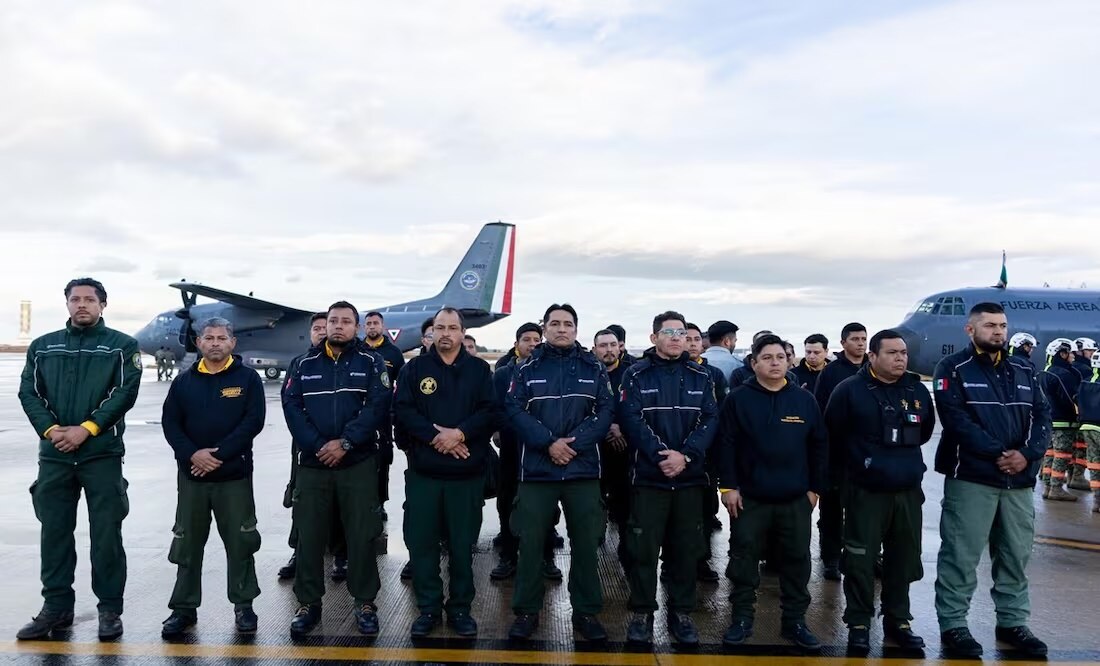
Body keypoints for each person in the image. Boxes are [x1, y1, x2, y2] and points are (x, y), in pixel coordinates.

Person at [17, 278, 142, 641]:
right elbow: (29, 392)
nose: (82, 305)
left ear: (103, 305)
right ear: (67, 304)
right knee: (54, 534)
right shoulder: (43, 347)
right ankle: (56, 609)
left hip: (101, 455)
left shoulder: (122, 346)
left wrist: (86, 429)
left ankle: (109, 610)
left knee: (106, 535)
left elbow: (125, 393)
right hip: (54, 456)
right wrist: (51, 431)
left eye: (90, 299)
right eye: (76, 299)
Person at [932, 302, 1050, 659]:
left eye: (1002, 325)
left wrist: (1026, 455)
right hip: (972, 477)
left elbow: (1043, 416)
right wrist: (1000, 453)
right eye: (990, 326)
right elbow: (956, 420)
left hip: (1019, 481)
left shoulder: (1024, 368)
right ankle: (954, 625)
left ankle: (1013, 621)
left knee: (1015, 554)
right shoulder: (953, 368)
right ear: (971, 330)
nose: (998, 332)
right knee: (961, 555)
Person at [282, 301, 392, 637]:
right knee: (310, 537)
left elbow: (377, 406)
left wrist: (344, 443)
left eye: (346, 321)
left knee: (361, 535)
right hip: (314, 466)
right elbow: (292, 406)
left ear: (356, 327)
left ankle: (365, 603)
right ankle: (308, 605)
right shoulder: (302, 364)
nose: (339, 326)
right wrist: (318, 445)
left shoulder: (372, 363)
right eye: (333, 321)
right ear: (325, 325)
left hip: (357, 463)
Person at [505, 304, 613, 641]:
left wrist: (575, 443)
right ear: (546, 328)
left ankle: (586, 612)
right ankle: (526, 612)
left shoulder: (593, 367)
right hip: (538, 471)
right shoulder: (526, 368)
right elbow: (514, 409)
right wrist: (549, 443)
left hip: (582, 471)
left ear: (576, 330)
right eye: (555, 323)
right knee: (531, 545)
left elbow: (606, 409)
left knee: (585, 544)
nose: (561, 329)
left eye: (568, 324)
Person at [824, 330, 935, 653]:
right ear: (872, 356)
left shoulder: (916, 390)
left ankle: (898, 619)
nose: (900, 358)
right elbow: (833, 435)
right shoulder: (850, 390)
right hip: (865, 491)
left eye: (903, 353)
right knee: (860, 559)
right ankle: (859, 622)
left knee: (903, 559)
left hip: (907, 491)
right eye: (892, 353)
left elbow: (924, 431)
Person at [716, 335, 827, 651]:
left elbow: (819, 446)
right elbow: (726, 446)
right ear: (754, 363)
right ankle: (741, 620)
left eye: (781, 357)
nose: (775, 362)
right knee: (743, 561)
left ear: (789, 361)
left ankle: (795, 622)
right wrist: (728, 487)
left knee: (796, 563)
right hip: (750, 499)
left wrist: (814, 490)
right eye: (767, 357)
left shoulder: (805, 400)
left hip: (795, 500)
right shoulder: (738, 399)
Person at [394, 308, 497, 638]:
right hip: (425, 475)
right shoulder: (414, 370)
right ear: (432, 332)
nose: (446, 334)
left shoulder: (480, 370)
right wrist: (436, 436)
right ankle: (428, 608)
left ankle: (461, 608)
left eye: (453, 328)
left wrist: (460, 434)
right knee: (421, 545)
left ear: (462, 333)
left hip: (466, 478)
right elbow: (403, 412)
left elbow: (490, 412)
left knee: (462, 547)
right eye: (440, 328)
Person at [160, 318, 266, 637]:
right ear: (199, 343)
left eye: (222, 338)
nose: (216, 343)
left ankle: (244, 605)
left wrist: (218, 456)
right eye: (209, 338)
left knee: (241, 541)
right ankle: (183, 608)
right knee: (187, 544)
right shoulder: (183, 382)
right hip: (192, 477)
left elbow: (253, 422)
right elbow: (171, 425)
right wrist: (194, 455)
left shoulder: (248, 379)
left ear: (233, 343)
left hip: (233, 477)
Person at [619, 312, 718, 646]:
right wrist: (663, 455)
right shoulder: (635, 374)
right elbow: (632, 420)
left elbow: (709, 419)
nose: (676, 337)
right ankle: (643, 612)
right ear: (654, 338)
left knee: (685, 550)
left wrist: (686, 456)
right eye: (669, 332)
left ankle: (681, 612)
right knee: (642, 550)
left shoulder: (701, 376)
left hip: (689, 479)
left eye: (682, 332)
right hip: (650, 478)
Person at [490, 323, 557, 581]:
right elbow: (497, 409)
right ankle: (509, 556)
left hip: (543, 450)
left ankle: (546, 558)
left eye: (535, 339)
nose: (531, 344)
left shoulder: (550, 371)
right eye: (526, 339)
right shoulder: (503, 374)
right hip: (512, 448)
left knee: (546, 507)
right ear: (516, 343)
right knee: (508, 503)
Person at [278, 314, 332, 580]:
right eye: (316, 328)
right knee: (300, 501)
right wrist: (313, 441)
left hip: (342, 448)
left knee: (342, 505)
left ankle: (340, 555)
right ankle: (298, 552)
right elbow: (290, 404)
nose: (321, 332)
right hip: (305, 447)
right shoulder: (298, 364)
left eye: (326, 327)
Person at [812, 322, 868, 580]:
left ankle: (868, 556)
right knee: (832, 510)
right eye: (855, 339)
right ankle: (831, 558)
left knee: (865, 509)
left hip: (867, 454)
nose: (860, 343)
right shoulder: (831, 373)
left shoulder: (873, 368)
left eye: (864, 338)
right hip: (837, 453)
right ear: (843, 343)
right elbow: (821, 413)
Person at [592, 328, 632, 572]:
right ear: (595, 349)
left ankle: (627, 552)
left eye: (612, 345)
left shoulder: (631, 374)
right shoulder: (589, 373)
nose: (608, 350)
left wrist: (621, 428)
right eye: (603, 346)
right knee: (594, 502)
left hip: (624, 448)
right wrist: (607, 426)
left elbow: (637, 408)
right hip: (594, 450)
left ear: (620, 347)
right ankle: (595, 537)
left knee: (625, 504)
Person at [363, 311, 406, 522]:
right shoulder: (357, 350)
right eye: (368, 323)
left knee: (383, 460)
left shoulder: (394, 353)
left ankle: (380, 503)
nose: (372, 327)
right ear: (364, 328)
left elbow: (402, 386)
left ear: (383, 326)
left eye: (376, 323)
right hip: (360, 415)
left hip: (384, 417)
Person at [1039, 338, 1082, 501]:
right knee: (1062, 455)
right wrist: (1079, 413)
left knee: (1050, 453)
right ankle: (1056, 488)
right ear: (1062, 354)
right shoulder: (1064, 374)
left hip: (1049, 420)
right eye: (1071, 353)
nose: (1074, 356)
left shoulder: (1045, 371)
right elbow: (1070, 399)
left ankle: (1048, 487)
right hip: (1064, 421)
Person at [1074, 352, 1100, 512]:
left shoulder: (1085, 382)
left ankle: (1098, 500)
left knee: (1095, 463)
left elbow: (1076, 399)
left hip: (1087, 428)